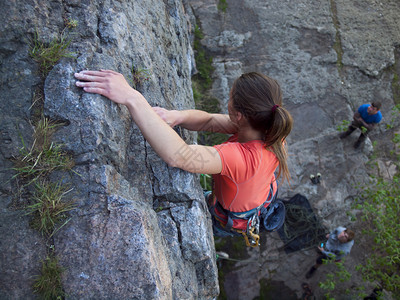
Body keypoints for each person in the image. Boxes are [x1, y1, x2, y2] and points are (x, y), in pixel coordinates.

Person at [74, 69, 293, 239]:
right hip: (259, 195)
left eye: (230, 97)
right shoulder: (270, 129)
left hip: (232, 217)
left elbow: (180, 156)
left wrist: (133, 98)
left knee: (216, 220)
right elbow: (210, 121)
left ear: (239, 116)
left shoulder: (241, 158)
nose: (227, 101)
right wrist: (176, 117)